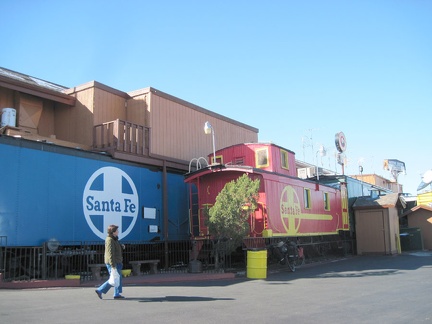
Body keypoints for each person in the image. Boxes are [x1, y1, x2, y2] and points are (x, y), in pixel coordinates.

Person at [95, 224, 125, 299]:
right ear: (113, 232)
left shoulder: (114, 239)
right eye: (117, 230)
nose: (118, 232)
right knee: (114, 278)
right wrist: (113, 265)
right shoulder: (110, 240)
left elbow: (115, 248)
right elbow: (110, 253)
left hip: (117, 261)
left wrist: (121, 246)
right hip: (114, 262)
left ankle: (116, 293)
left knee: (117, 278)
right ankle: (100, 290)